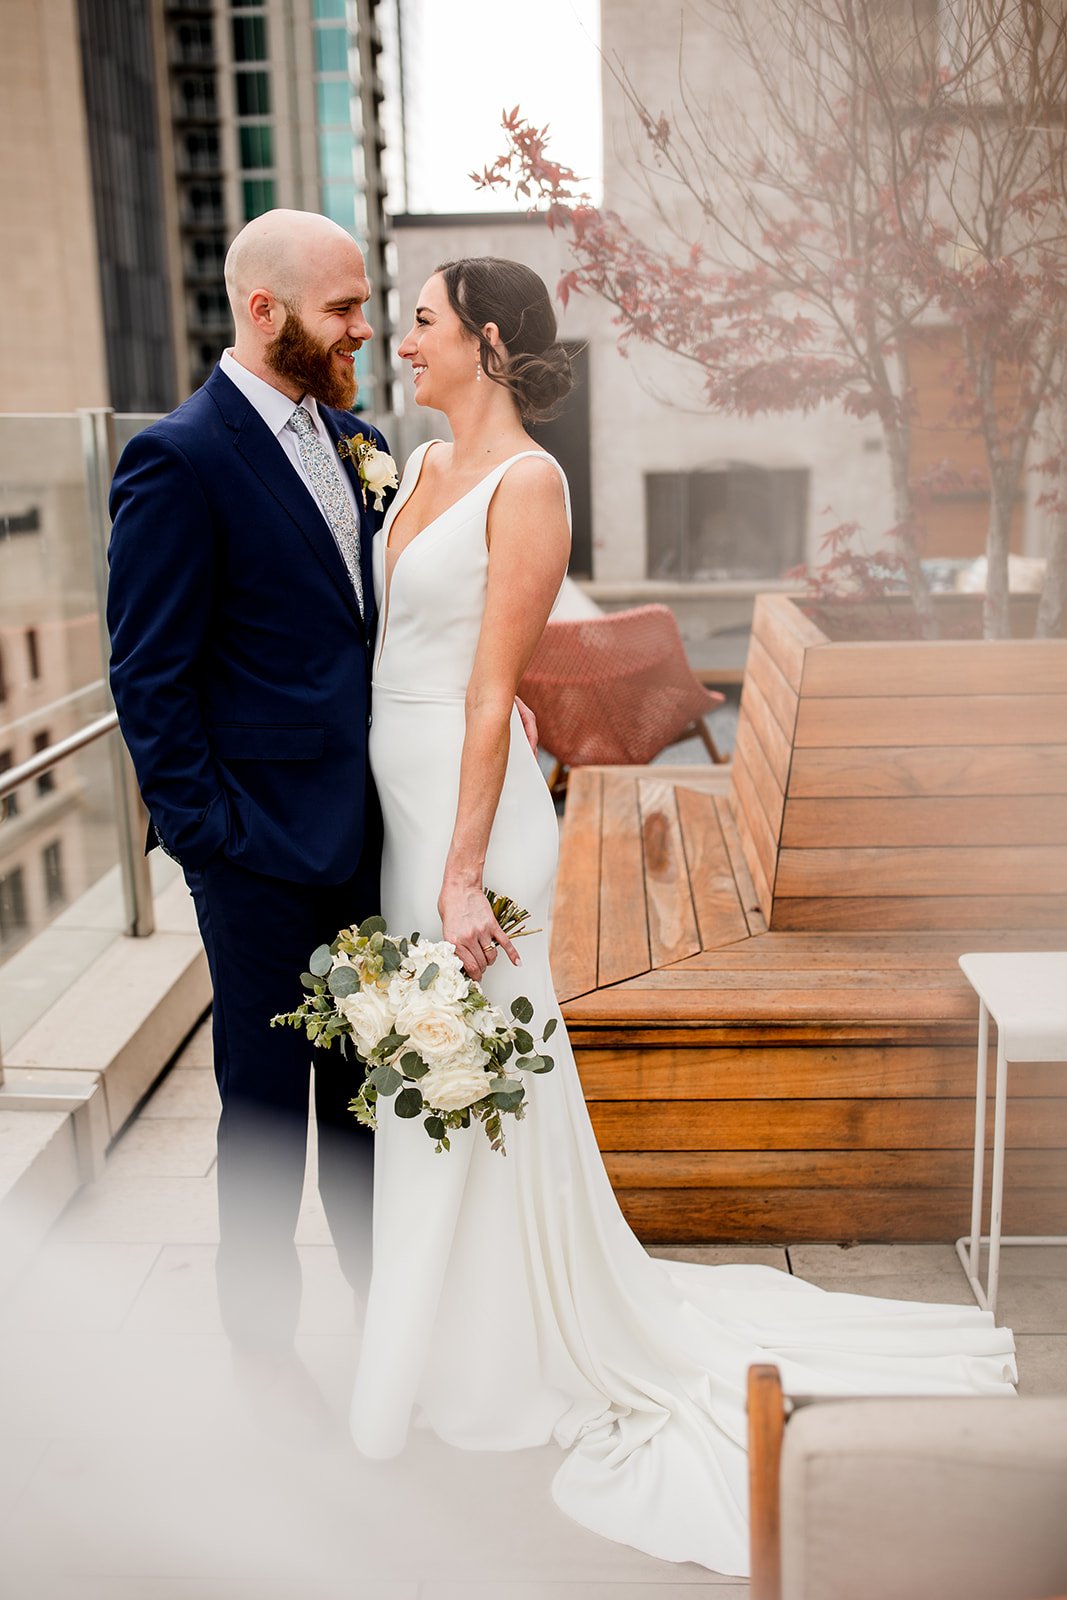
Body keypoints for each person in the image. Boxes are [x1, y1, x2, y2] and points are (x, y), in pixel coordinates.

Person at [349, 255, 1018, 1577]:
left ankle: (472, 1363)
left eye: (419, 321)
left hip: (468, 833)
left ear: (486, 341)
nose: (400, 340)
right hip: (408, 810)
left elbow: (490, 692)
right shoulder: (416, 466)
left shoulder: (527, 484)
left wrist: (461, 872)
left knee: (467, 1081)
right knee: (434, 1085)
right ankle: (450, 1343)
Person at [107, 210, 392, 1387]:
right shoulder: (177, 459)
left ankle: (387, 1328)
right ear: (263, 309)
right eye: (342, 307)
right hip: (256, 854)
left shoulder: (360, 441)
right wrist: (207, 839)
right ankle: (263, 1356)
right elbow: (148, 675)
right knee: (267, 1115)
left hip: (367, 840)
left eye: (365, 303)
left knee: (368, 1104)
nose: (363, 327)